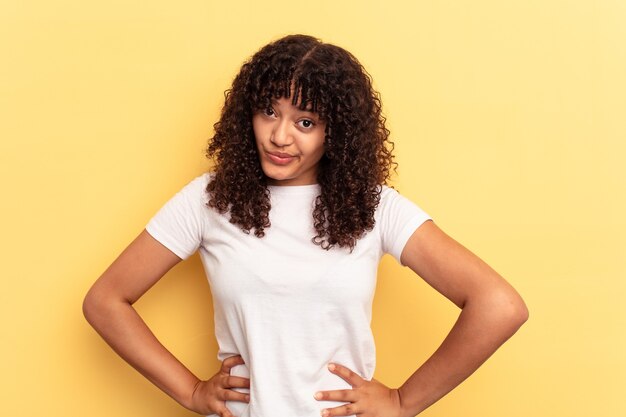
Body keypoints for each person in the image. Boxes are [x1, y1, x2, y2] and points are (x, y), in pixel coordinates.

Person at [83, 34, 528, 417]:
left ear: (336, 133)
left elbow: (499, 306)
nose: (279, 136)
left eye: (305, 122)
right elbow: (105, 300)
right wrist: (191, 391)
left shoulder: (376, 208)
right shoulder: (208, 200)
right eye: (269, 112)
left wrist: (402, 401)